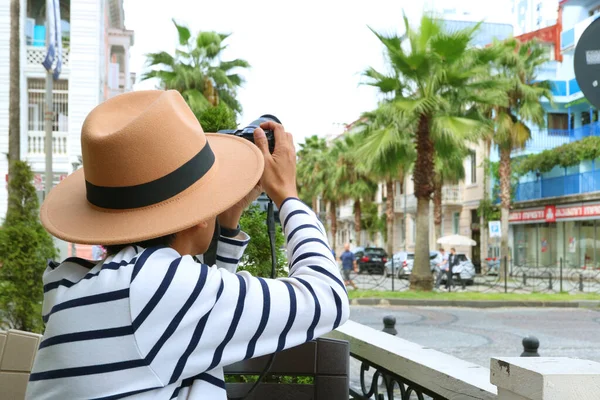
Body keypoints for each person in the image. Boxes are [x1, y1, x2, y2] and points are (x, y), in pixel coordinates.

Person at [26, 90, 349, 400]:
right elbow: (328, 298)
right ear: (197, 214)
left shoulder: (78, 283)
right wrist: (287, 196)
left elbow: (198, 316)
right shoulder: (153, 287)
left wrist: (226, 222)